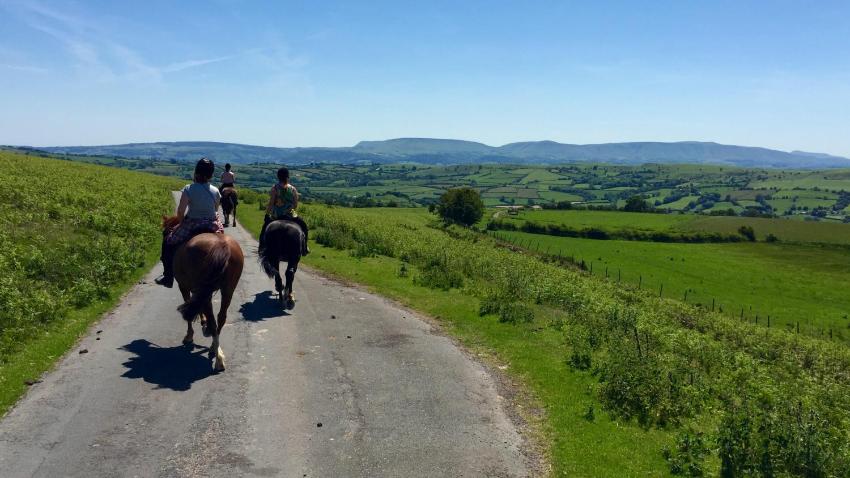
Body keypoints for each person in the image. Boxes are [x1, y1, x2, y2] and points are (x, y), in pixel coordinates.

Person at [155, 158, 224, 287]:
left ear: (196, 172)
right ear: (211, 174)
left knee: (168, 241)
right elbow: (215, 210)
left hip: (192, 223)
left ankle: (168, 276)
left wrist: (181, 223)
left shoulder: (188, 188)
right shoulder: (216, 191)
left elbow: (180, 211)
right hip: (211, 224)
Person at [259, 167, 309, 255]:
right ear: (287, 177)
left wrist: (267, 214)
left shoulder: (275, 188)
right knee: (304, 226)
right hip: (291, 213)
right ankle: (305, 247)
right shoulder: (293, 189)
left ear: (278, 177)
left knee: (264, 228)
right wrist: (290, 210)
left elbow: (271, 203)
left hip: (276, 214)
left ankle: (261, 246)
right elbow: (295, 204)